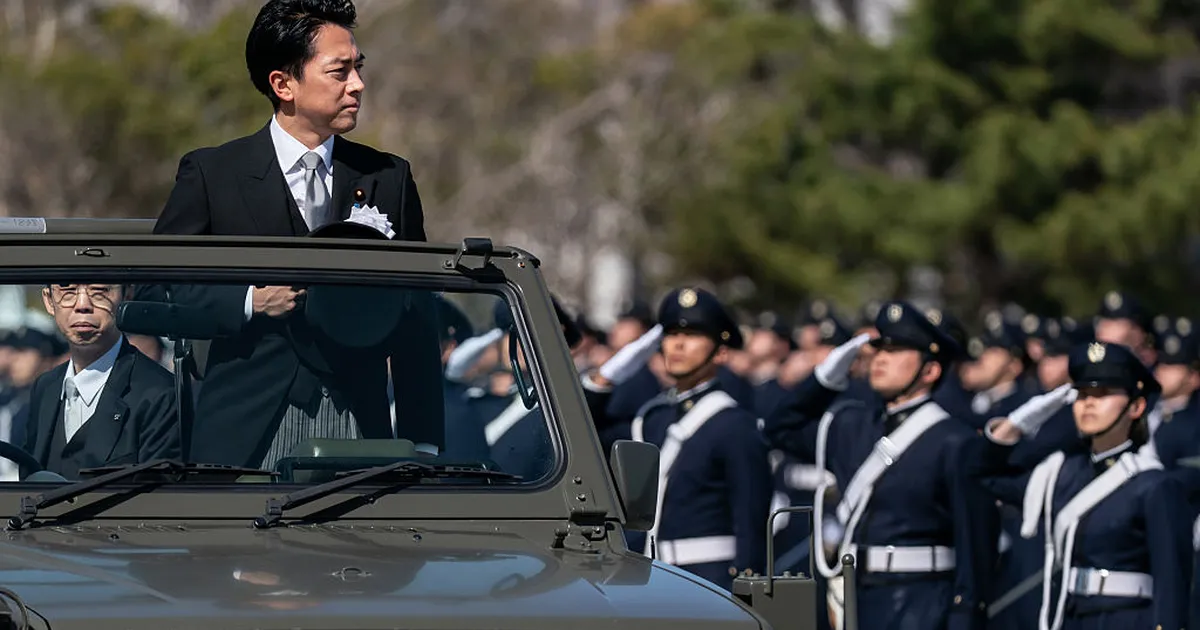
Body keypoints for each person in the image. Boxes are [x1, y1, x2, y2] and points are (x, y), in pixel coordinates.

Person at [151, 0, 442, 468]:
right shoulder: (213, 173)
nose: (358, 85)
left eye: (358, 68)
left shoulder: (389, 177)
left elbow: (418, 320)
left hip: (361, 427)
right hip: (242, 434)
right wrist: (249, 301)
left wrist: (424, 441)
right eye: (339, 71)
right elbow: (157, 287)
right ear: (283, 84)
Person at [763, 300, 997, 630]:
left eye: (897, 350)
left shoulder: (956, 442)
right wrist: (824, 380)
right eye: (879, 349)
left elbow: (975, 547)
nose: (881, 358)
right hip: (855, 596)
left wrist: (965, 617)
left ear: (929, 370)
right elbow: (778, 428)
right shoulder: (851, 426)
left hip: (923, 601)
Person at [979, 342, 1192, 630]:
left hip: (1128, 620)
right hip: (1069, 616)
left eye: (1102, 394)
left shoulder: (1154, 485)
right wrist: (1017, 424)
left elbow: (1172, 587)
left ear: (1136, 406)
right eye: (1081, 395)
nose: (1088, 403)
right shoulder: (1059, 474)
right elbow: (983, 476)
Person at [583, 287, 772, 591]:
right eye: (670, 334)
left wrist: (745, 589)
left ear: (721, 351)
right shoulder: (653, 416)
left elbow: (750, 522)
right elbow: (585, 428)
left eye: (694, 335)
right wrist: (607, 376)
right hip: (648, 574)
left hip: (710, 582)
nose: (678, 344)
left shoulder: (736, 425)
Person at [20, 285, 178, 479]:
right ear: (49, 301)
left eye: (99, 291)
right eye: (68, 292)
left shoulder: (160, 392)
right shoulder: (45, 387)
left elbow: (160, 499)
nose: (83, 305)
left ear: (126, 296)